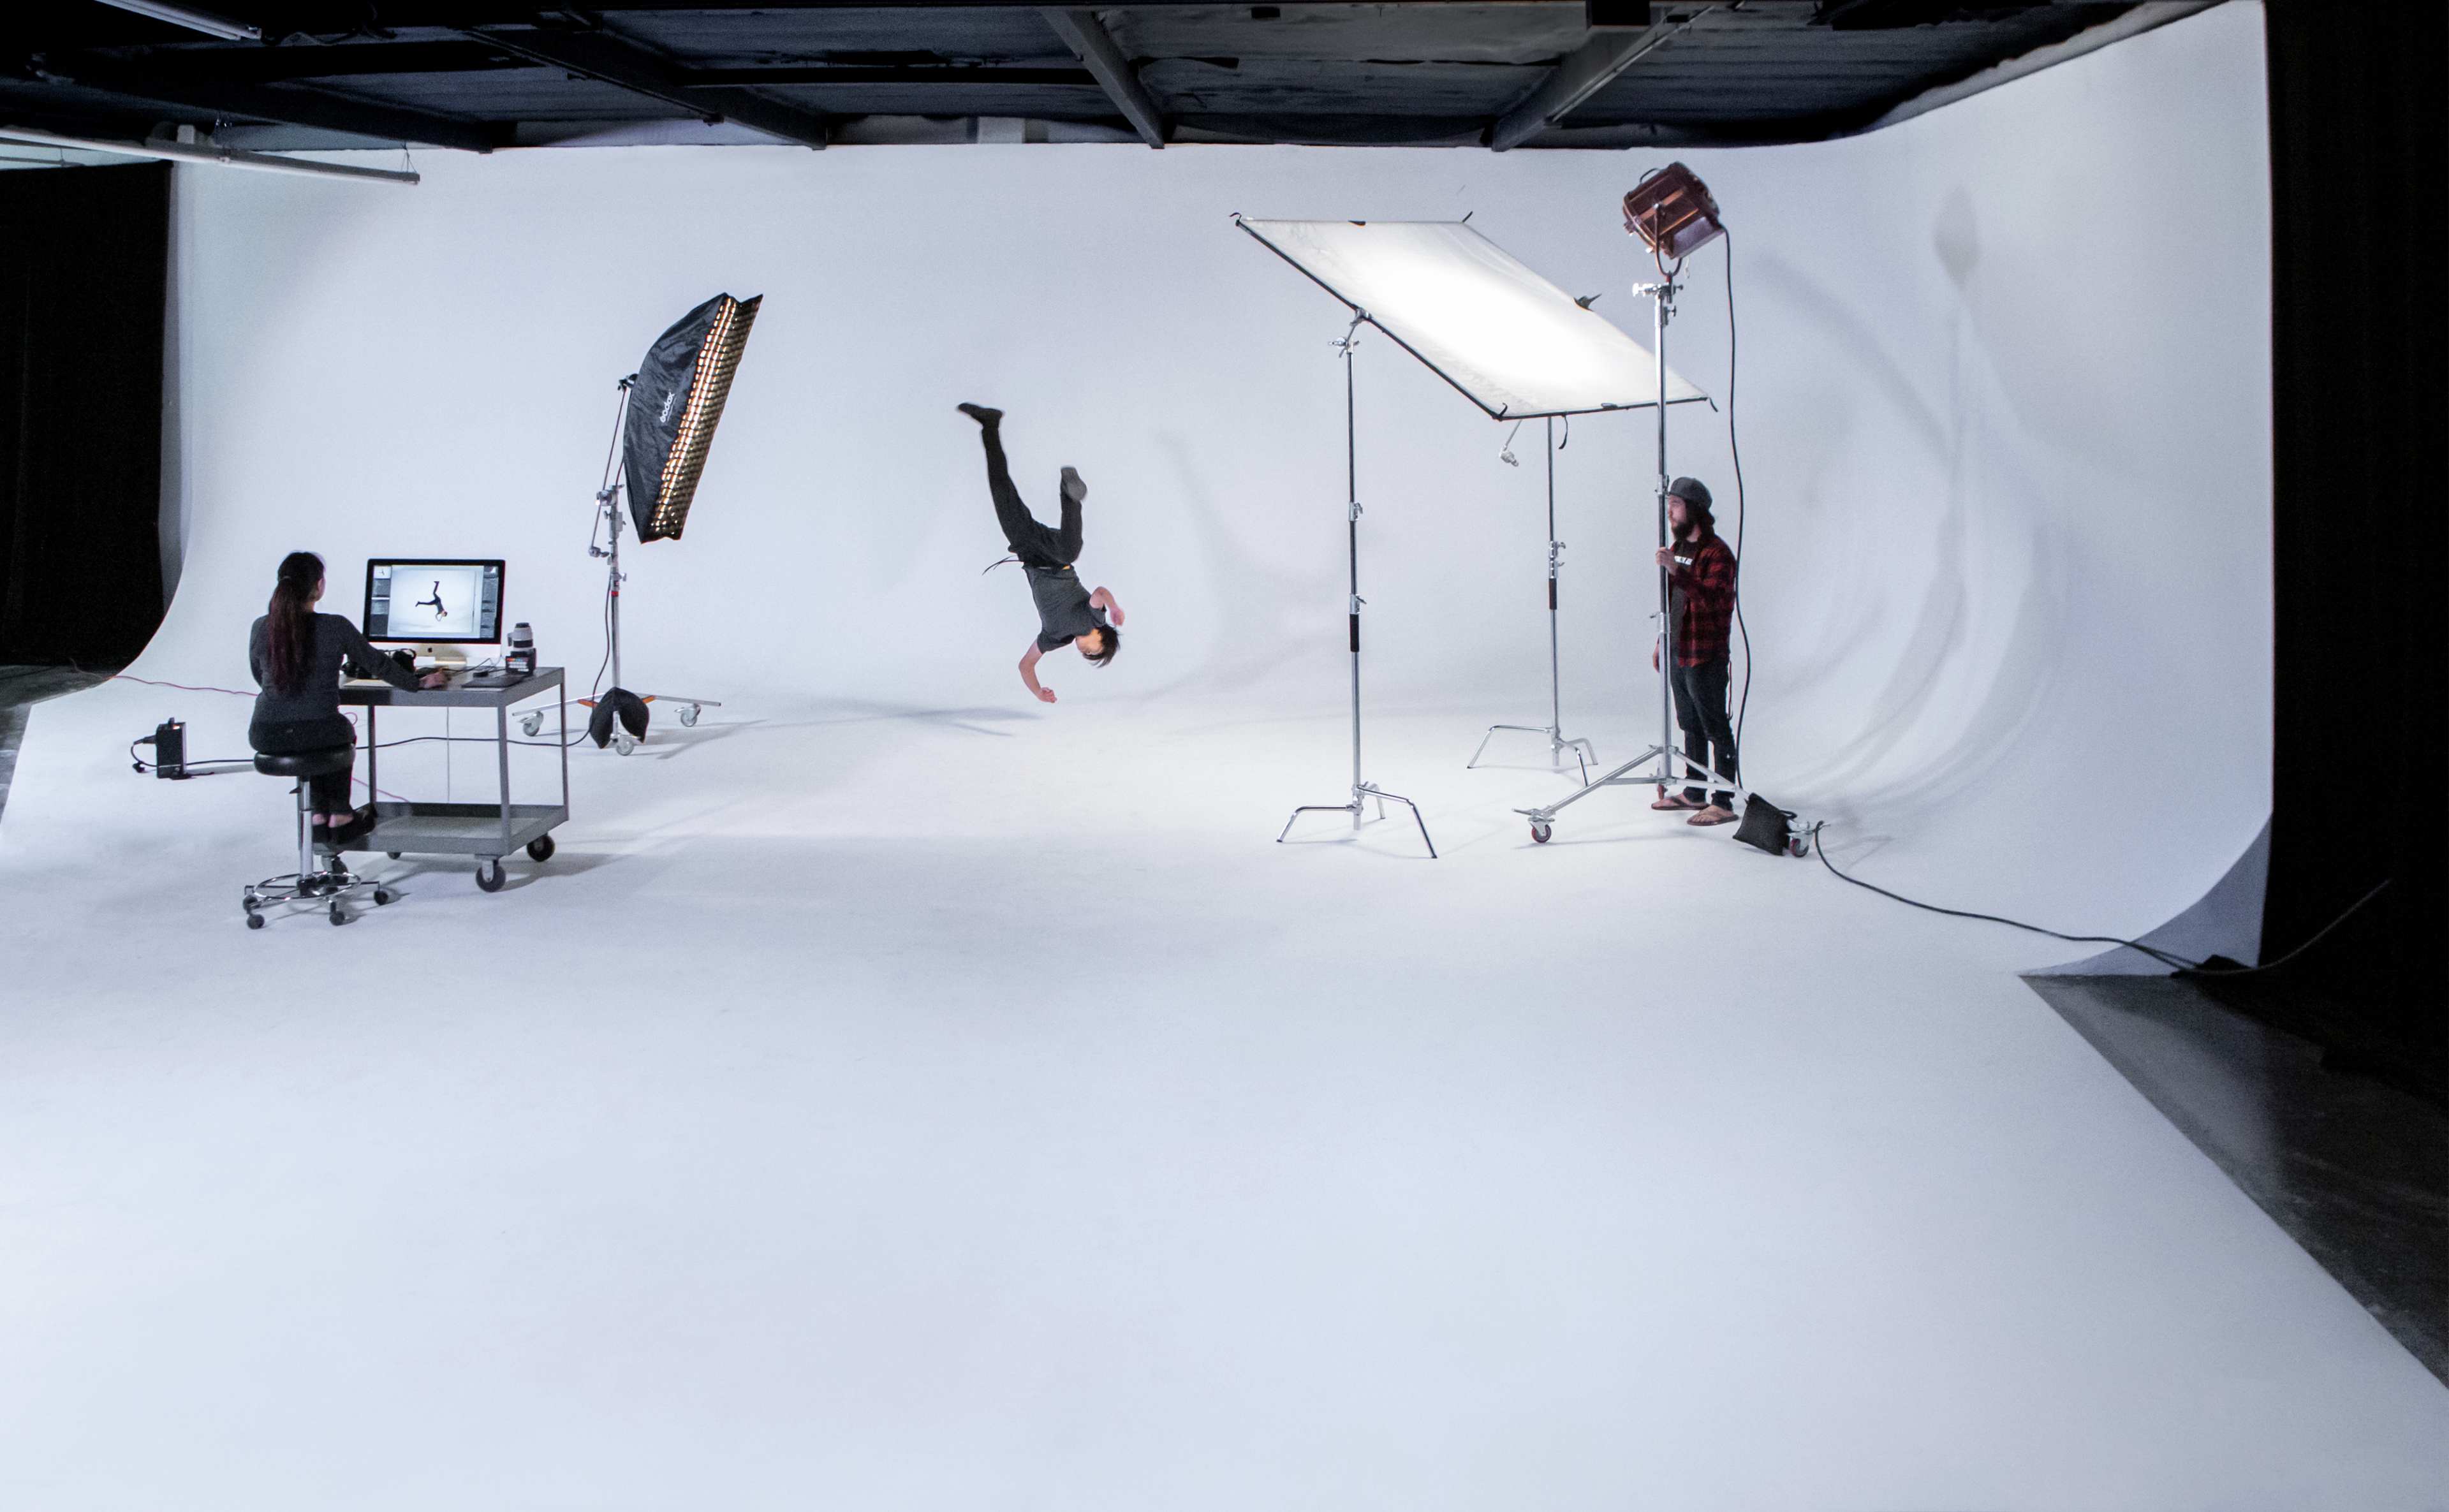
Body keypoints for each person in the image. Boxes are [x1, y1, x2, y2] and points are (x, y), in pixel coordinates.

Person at [249, 550, 446, 833]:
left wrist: (292, 695)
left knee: (313, 733)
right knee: (333, 731)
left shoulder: (261, 627)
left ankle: (319, 814)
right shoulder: (334, 626)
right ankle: (340, 813)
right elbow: (378, 663)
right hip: (318, 732)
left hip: (266, 733)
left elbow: (260, 674)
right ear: (319, 587)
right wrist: (418, 682)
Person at [959, 402, 1124, 703]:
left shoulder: (1054, 638)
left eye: (1087, 655)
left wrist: (1037, 690)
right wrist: (1112, 607)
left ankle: (990, 424)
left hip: (1028, 550)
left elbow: (1026, 664)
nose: (1086, 651)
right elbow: (1099, 592)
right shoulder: (1094, 620)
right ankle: (1069, 491)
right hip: (1057, 557)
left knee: (1000, 489)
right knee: (1071, 551)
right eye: (1095, 649)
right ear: (1104, 634)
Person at [1649, 476, 1740, 826]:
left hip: (1706, 654)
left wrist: (1676, 571)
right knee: (1689, 724)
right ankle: (1695, 791)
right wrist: (1662, 642)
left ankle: (1723, 800)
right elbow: (1675, 601)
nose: (1669, 511)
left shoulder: (1718, 554)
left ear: (1695, 510)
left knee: (1715, 726)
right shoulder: (1680, 550)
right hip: (1678, 649)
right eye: (1669, 503)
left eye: (1675, 504)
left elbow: (1713, 602)